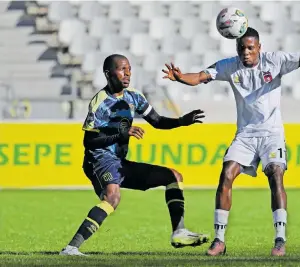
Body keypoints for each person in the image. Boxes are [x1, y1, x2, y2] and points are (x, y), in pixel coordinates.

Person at [162, 27, 300, 257]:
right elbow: (199, 77)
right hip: (246, 135)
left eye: (250, 48)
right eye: (241, 48)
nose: (245, 52)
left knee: (276, 174)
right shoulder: (229, 65)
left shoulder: (274, 61)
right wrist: (180, 78)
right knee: (226, 174)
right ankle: (219, 240)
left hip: (272, 134)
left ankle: (280, 239)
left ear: (259, 47)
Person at [60, 54, 209, 256]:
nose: (127, 73)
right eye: (122, 69)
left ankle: (179, 231)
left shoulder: (134, 97)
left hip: (119, 163)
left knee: (174, 176)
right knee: (113, 196)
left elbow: (156, 121)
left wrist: (181, 121)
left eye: (129, 68)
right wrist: (120, 133)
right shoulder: (101, 102)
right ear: (108, 74)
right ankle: (71, 248)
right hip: (99, 159)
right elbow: (89, 142)